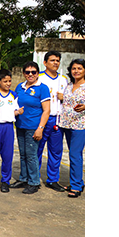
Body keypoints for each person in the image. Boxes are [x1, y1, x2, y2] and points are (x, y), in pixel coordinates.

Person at [12, 61, 51, 195]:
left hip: (33, 127)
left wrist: (40, 128)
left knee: (31, 155)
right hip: (20, 125)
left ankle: (34, 182)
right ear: (23, 73)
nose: (30, 74)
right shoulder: (20, 87)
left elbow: (46, 111)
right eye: (27, 72)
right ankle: (24, 178)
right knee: (22, 154)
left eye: (33, 72)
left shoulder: (42, 88)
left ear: (37, 73)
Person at [37, 51, 69, 192]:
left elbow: (69, 99)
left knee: (56, 152)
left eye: (57, 60)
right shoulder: (39, 79)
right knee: (37, 150)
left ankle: (53, 179)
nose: (55, 63)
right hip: (43, 119)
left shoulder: (63, 79)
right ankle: (33, 178)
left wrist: (64, 97)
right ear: (45, 63)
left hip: (58, 119)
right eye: (52, 60)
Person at [58, 58, 85, 198]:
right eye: (74, 68)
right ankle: (78, 182)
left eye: (79, 68)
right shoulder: (69, 85)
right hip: (66, 124)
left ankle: (76, 186)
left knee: (75, 155)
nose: (76, 71)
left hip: (80, 125)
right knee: (73, 154)